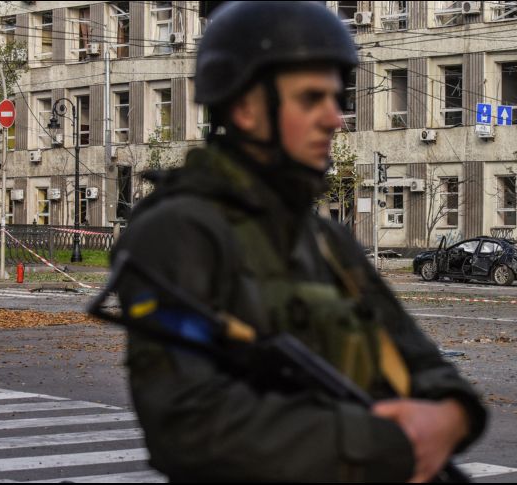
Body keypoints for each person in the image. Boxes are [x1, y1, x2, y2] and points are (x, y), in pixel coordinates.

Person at [110, 2, 486, 482]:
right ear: (246, 108)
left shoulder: (324, 238)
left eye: (335, 98)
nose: (335, 119)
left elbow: (420, 360)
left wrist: (452, 414)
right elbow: (190, 426)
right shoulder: (179, 232)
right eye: (311, 99)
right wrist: (387, 442)